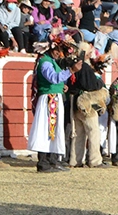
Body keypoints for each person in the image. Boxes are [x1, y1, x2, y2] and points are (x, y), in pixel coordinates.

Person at [28, 36, 81, 172]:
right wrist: (71, 71)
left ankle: (52, 160)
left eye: (61, 50)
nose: (59, 53)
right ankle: (43, 162)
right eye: (57, 50)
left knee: (54, 129)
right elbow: (52, 78)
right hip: (49, 99)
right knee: (47, 129)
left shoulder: (51, 61)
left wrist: (62, 86)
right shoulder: (45, 62)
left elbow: (55, 80)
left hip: (54, 98)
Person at [67, 49, 108, 168]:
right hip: (85, 103)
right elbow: (89, 85)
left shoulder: (71, 66)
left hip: (74, 101)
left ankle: (75, 160)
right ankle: (95, 160)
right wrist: (99, 84)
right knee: (93, 132)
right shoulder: (84, 67)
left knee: (78, 133)